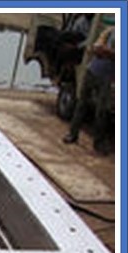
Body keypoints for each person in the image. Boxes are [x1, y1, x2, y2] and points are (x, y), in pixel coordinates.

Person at [63, 21, 115, 154]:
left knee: (101, 111)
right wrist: (108, 53)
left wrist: (106, 52)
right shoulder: (110, 31)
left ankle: (98, 143)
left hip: (106, 77)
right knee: (82, 104)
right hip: (92, 71)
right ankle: (73, 134)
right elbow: (96, 48)